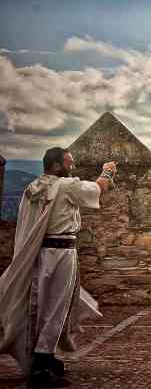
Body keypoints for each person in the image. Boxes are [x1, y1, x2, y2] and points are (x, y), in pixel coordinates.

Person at [0, 147, 114, 388]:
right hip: (61, 253)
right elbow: (97, 188)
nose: (72, 167)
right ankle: (42, 363)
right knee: (56, 307)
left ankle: (45, 357)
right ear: (55, 166)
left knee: (42, 305)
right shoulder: (64, 186)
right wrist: (107, 172)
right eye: (69, 163)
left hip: (41, 253)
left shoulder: (33, 188)